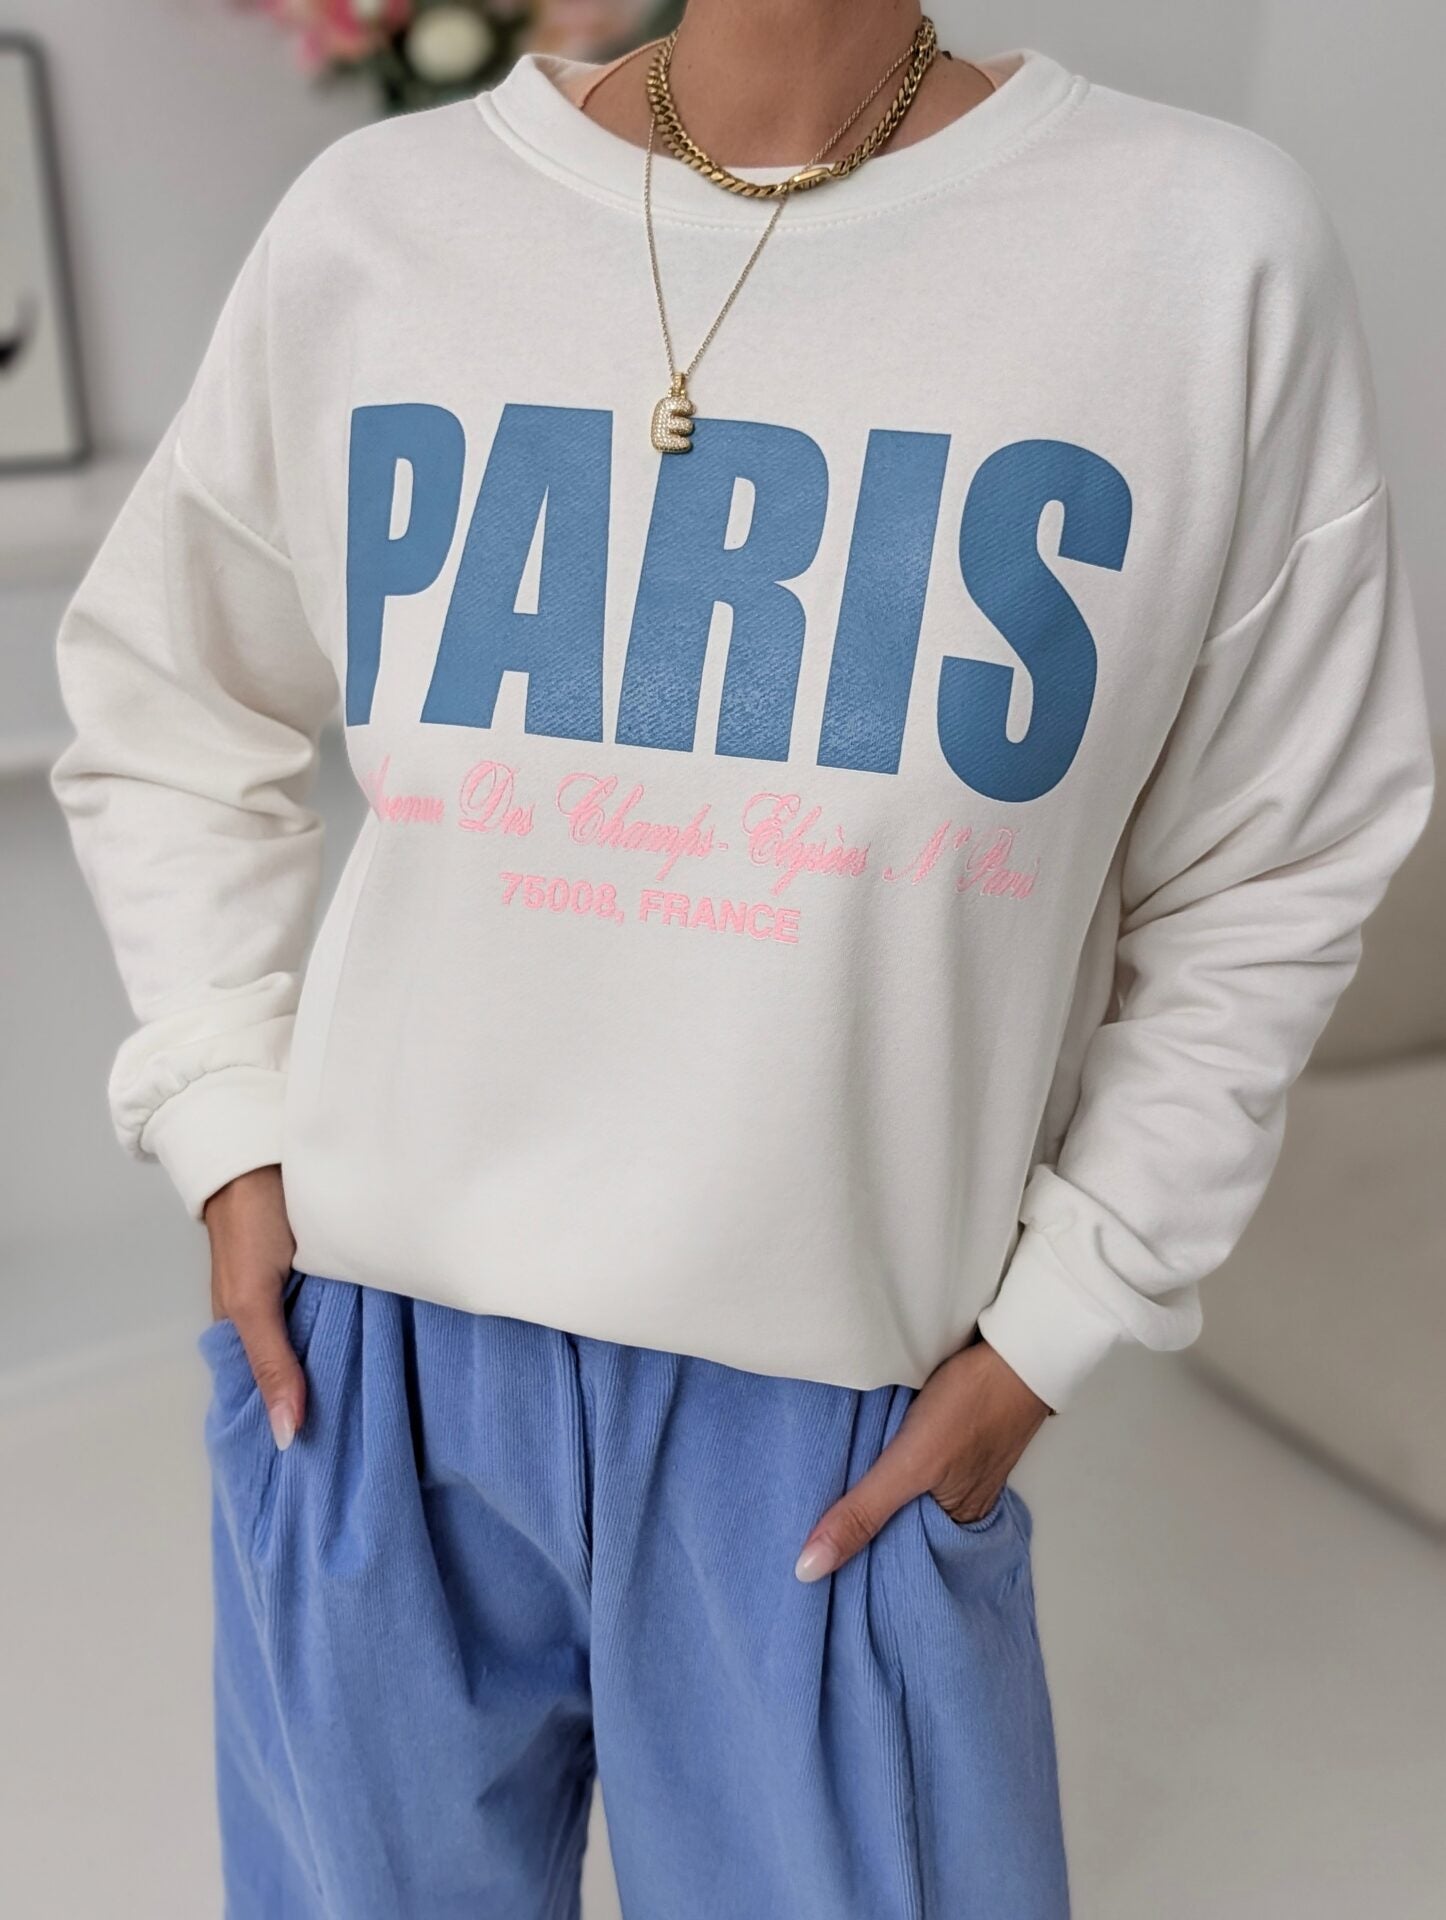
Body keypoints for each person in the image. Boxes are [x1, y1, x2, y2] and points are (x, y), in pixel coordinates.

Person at [50, 2, 1435, 1914]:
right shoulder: (384, 223)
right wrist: (225, 1128)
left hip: (833, 1410)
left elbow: (1279, 853)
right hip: (372, 1365)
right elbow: (165, 693)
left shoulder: (1196, 252)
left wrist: (1058, 1319)